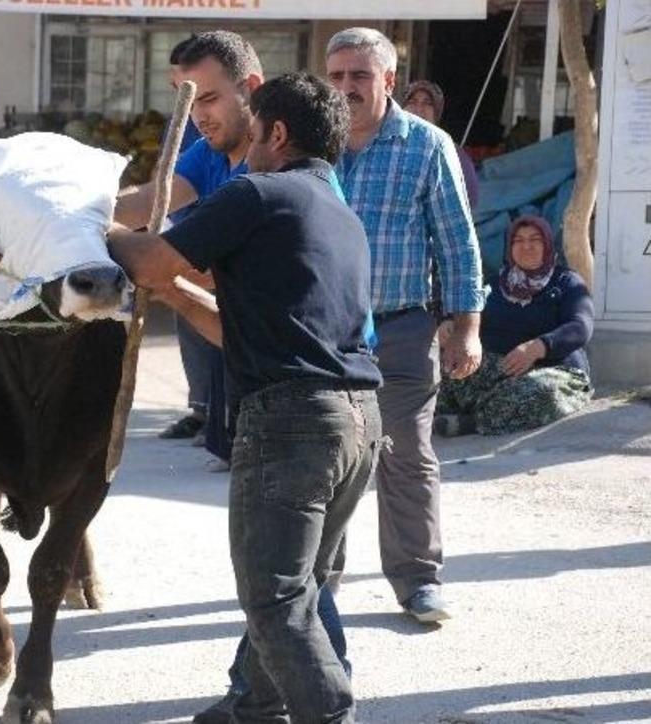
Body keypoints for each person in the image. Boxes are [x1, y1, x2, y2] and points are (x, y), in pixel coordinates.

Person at [110, 71, 383, 724]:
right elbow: (236, 325)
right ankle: (253, 710)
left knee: (276, 600)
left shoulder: (255, 195)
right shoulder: (334, 214)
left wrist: (89, 223)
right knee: (303, 587)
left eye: (254, 127)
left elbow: (146, 260)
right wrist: (177, 291)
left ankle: (328, 715)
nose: (246, 142)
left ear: (277, 133)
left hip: (290, 422)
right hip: (356, 423)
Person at [327, 28, 485, 624]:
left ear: (388, 80)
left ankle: (419, 581)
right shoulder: (316, 145)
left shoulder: (427, 145)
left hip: (401, 330)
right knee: (326, 458)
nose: (346, 88)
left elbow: (458, 245)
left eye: (359, 76)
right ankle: (319, 582)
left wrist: (465, 327)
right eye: (337, 76)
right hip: (325, 333)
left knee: (405, 456)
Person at [117, 31, 255, 472]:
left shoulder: (276, 164)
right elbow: (151, 200)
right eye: (188, 101)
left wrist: (129, 253)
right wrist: (74, 210)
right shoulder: (207, 151)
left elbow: (206, 270)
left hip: (288, 359)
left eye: (208, 98)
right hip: (240, 339)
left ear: (251, 87)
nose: (198, 116)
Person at [435, 215, 593, 435]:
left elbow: (580, 326)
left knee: (538, 392)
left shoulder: (567, 282)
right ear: (509, 247)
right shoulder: (494, 285)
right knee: (443, 372)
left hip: (555, 370)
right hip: (501, 368)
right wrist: (451, 326)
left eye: (535, 239)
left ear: (547, 244)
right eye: (518, 240)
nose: (526, 246)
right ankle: (466, 408)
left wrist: (537, 347)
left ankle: (472, 422)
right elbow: (464, 317)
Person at [160, 33, 210, 444]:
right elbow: (167, 184)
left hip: (215, 234)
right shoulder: (181, 120)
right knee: (189, 317)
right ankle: (202, 408)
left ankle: (223, 416)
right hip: (186, 232)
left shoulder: (215, 122)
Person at [402, 80, 479, 210]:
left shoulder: (451, 152)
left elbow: (471, 196)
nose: (419, 109)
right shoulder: (390, 146)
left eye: (428, 103)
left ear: (436, 112)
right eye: (412, 102)